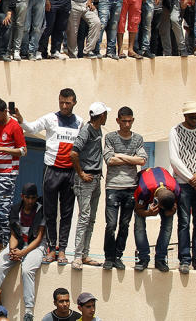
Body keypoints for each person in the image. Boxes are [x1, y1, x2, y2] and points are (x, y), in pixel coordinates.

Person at [14, 88, 82, 264]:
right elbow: (31, 127)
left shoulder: (80, 122)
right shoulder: (50, 118)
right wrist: (21, 119)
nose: (64, 106)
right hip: (52, 170)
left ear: (75, 102)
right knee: (50, 212)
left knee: (67, 213)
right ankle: (51, 249)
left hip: (70, 172)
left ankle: (63, 251)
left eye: (68, 103)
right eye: (61, 102)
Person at [0, 183, 45, 321]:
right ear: (22, 196)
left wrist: (22, 253)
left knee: (27, 270)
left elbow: (39, 238)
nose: (30, 201)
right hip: (18, 244)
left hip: (35, 246)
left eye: (33, 198)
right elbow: (13, 234)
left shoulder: (41, 210)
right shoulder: (15, 209)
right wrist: (12, 250)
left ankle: (29, 311)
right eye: (27, 198)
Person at [169, 100, 196, 274]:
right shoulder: (176, 131)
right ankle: (185, 259)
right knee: (184, 222)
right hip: (183, 183)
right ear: (185, 116)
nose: (195, 119)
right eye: (192, 116)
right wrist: (190, 178)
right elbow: (174, 158)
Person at [101, 107, 146, 270]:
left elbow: (142, 160)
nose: (127, 124)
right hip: (113, 186)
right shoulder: (111, 137)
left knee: (125, 224)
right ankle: (109, 256)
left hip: (131, 187)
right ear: (118, 121)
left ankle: (118, 256)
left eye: (130, 121)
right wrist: (131, 159)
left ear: (133, 120)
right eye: (124, 121)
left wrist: (120, 155)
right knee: (111, 224)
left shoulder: (138, 138)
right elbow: (109, 160)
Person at [70, 102, 109, 270]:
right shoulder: (86, 130)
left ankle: (85, 253)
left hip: (95, 177)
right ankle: (77, 256)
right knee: (84, 217)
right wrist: (81, 173)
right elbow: (73, 153)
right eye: (105, 114)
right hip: (85, 178)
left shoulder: (97, 129)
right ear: (101, 116)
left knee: (91, 218)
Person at [0, 98, 27, 253]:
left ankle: (11, 243)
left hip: (7, 174)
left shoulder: (14, 126)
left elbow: (23, 151)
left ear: (5, 111)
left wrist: (1, 149)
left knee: (4, 212)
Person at [133, 167, 179, 272]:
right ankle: (143, 258)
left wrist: (172, 211)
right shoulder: (143, 190)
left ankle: (160, 259)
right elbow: (137, 209)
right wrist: (148, 213)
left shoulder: (176, 190)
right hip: (146, 184)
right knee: (139, 224)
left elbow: (174, 208)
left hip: (164, 185)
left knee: (167, 226)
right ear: (156, 201)